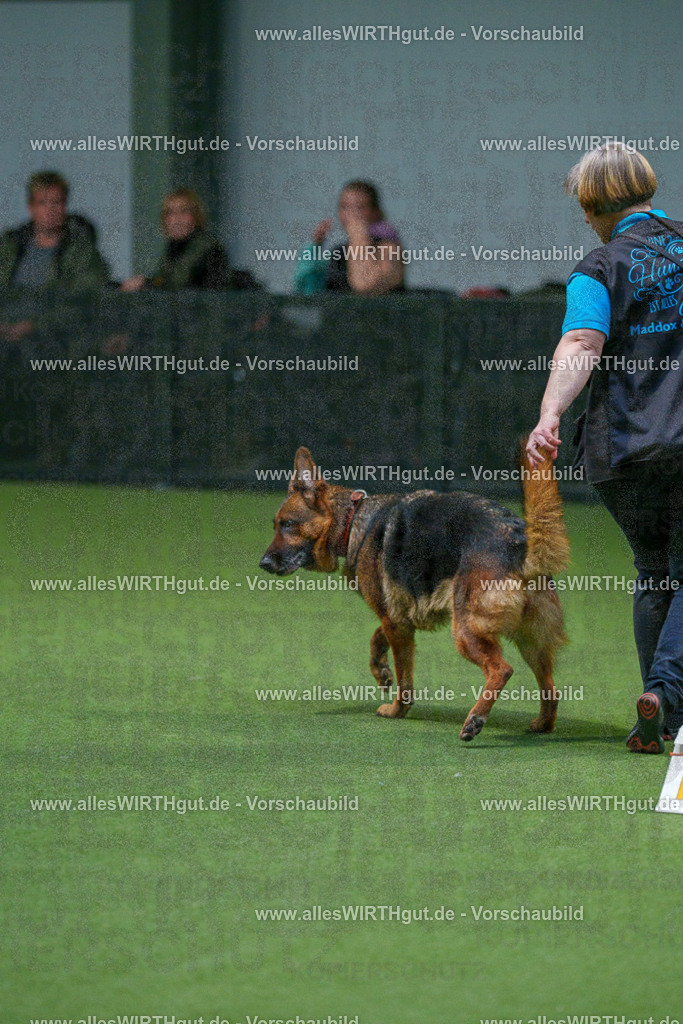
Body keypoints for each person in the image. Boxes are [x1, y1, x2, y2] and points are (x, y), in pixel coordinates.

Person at [527, 142, 683, 753]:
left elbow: (581, 347)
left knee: (655, 574)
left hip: (624, 452)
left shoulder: (598, 267)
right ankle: (666, 696)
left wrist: (550, 413)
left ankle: (659, 717)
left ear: (594, 207)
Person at [0, 170, 109, 340]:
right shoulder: (9, 248)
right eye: (43, 203)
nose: (50, 210)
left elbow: (83, 304)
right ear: (31, 208)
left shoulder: (83, 254)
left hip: (54, 343)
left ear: (65, 206)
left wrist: (33, 327)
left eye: (56, 202)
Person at [293, 180, 404, 295]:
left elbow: (365, 285)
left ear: (375, 212)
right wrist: (314, 247)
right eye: (345, 207)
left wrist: (358, 236)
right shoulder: (339, 253)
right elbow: (306, 288)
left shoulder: (389, 246)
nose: (352, 214)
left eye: (360, 207)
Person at [121, 188, 229, 291]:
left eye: (183, 211)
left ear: (196, 216)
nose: (177, 219)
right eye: (170, 212)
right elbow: (164, 280)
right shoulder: (173, 248)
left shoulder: (210, 250)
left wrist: (147, 284)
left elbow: (180, 287)